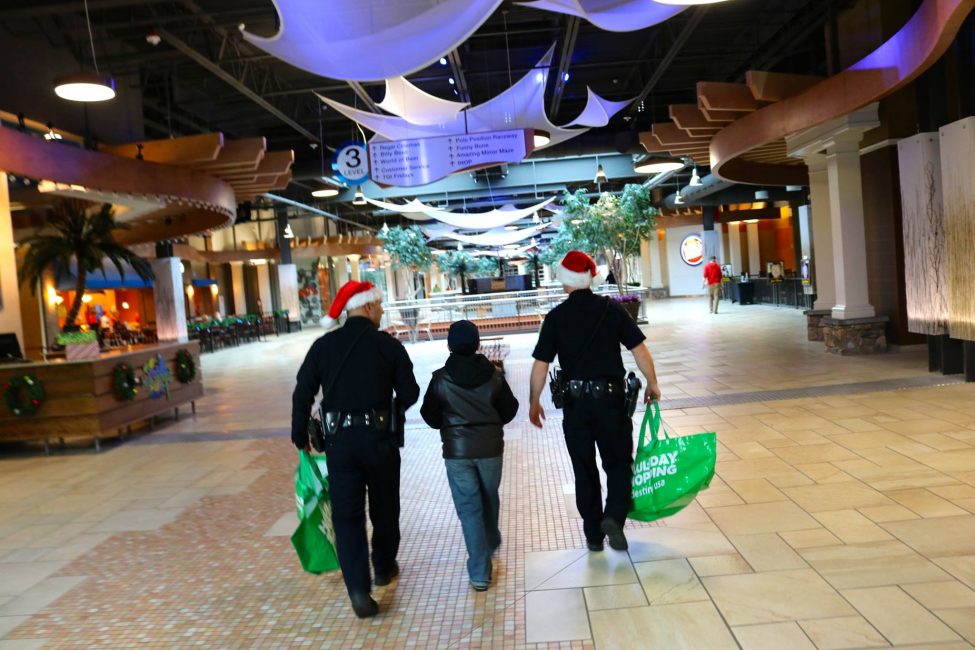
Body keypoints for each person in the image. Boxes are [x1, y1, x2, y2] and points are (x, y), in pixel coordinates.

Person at [291, 280, 420, 619]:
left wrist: (299, 434)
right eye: (379, 305)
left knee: (348, 517)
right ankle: (383, 567)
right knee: (385, 508)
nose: (381, 311)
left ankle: (359, 592)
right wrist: (391, 411)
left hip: (340, 445)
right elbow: (410, 391)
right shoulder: (387, 345)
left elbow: (302, 392)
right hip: (379, 441)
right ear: (368, 306)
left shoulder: (323, 346)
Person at [528, 251, 661, 552]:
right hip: (611, 402)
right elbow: (639, 350)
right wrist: (652, 382)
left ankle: (593, 535)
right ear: (590, 279)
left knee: (584, 468)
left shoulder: (556, 317)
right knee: (618, 464)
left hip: (576, 405)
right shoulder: (611, 309)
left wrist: (534, 401)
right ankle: (613, 517)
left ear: (565, 281)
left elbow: (541, 364)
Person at [419, 320, 519, 592]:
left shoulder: (440, 379)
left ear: (449, 345)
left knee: (469, 509)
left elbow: (429, 416)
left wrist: (450, 423)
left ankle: (479, 573)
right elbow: (510, 410)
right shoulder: (494, 375)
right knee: (489, 497)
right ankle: (490, 540)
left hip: (457, 453)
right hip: (491, 450)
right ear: (477, 344)